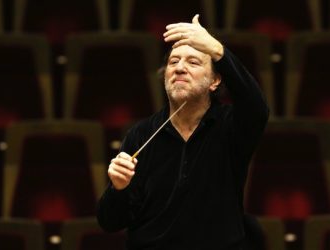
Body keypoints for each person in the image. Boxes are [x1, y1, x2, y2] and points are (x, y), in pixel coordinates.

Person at [97, 14, 269, 250]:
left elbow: (256, 106)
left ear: (215, 81)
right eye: (173, 62)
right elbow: (110, 222)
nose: (179, 68)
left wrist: (217, 50)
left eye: (193, 62)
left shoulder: (231, 126)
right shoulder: (140, 134)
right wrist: (118, 188)